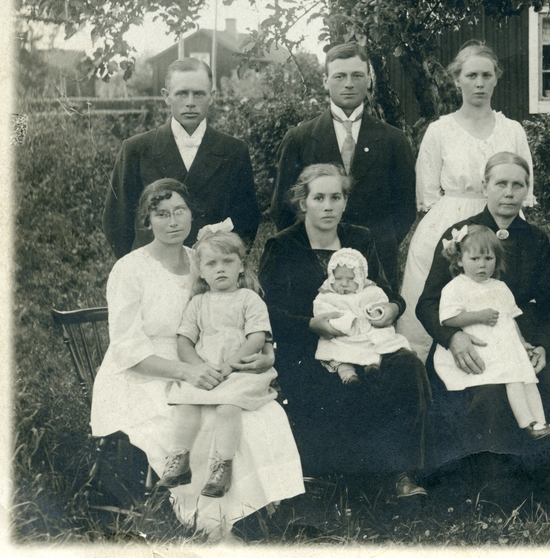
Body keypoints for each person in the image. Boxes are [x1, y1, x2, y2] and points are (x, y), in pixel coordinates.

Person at [90, 179, 302, 537]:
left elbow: (241, 315)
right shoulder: (129, 269)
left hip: (212, 363)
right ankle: (215, 524)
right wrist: (187, 371)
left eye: (180, 211)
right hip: (143, 374)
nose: (172, 221)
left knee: (260, 414)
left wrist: (266, 354)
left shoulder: (204, 258)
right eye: (161, 214)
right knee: (203, 422)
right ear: (147, 221)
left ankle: (256, 510)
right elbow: (127, 349)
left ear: (192, 214)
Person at [258, 164, 431, 500]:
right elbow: (264, 310)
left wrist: (391, 309)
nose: (328, 206)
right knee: (329, 386)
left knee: (407, 367)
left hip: (366, 341)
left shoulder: (359, 239)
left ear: (345, 201)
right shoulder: (282, 246)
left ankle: (403, 473)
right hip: (308, 347)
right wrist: (309, 324)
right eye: (319, 198)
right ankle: (346, 477)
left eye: (336, 197)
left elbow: (387, 292)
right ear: (303, 202)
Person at [415, 151, 550, 470]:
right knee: (487, 394)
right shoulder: (459, 234)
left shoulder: (536, 239)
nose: (509, 193)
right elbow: (427, 303)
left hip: (517, 339)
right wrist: (453, 338)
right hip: (467, 340)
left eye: (517, 185)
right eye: (500, 184)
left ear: (527, 190)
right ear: (485, 186)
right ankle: (486, 480)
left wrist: (542, 346)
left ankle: (541, 478)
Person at [398, 41, 535, 362]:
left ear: (496, 79)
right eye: (471, 75)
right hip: (449, 222)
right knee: (443, 298)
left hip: (502, 221)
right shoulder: (439, 130)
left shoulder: (512, 130)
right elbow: (427, 191)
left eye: (486, 75)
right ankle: (428, 367)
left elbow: (524, 185)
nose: (479, 83)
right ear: (457, 79)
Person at [272, 42, 417, 291]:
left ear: (369, 80)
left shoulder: (394, 140)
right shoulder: (300, 138)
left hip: (376, 262)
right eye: (340, 76)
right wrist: (306, 249)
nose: (349, 84)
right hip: (314, 260)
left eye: (357, 75)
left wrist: (381, 243)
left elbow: (405, 209)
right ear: (325, 81)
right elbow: (282, 207)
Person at [161, 228, 280, 499]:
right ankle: (179, 458)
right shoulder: (198, 303)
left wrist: (229, 366)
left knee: (228, 406)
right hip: (208, 370)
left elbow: (256, 338)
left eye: (228, 261)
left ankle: (222, 466)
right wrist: (198, 367)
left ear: (241, 266)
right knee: (186, 401)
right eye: (211, 264)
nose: (220, 269)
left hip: (241, 370)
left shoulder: (249, 299)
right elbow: (184, 342)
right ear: (201, 272)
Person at [103, 58, 260, 257]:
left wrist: (223, 264)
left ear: (211, 96)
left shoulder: (234, 151)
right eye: (182, 93)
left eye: (199, 94)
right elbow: (116, 221)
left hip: (212, 267)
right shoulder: (136, 149)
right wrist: (138, 265)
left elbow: (246, 221)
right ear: (166, 96)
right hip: (154, 268)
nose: (190, 102)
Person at [433, 225, 550, 440]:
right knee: (514, 376)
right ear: (460, 260)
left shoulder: (500, 286)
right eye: (475, 259)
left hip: (504, 344)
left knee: (528, 378)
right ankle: (528, 424)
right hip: (481, 346)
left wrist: (522, 342)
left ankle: (541, 422)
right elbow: (448, 318)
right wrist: (478, 316)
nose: (482, 265)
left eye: (488, 258)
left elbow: (509, 318)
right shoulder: (455, 287)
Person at [312, 247, 411, 385]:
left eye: (350, 279)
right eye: (338, 278)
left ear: (360, 278)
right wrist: (343, 321)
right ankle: (348, 376)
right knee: (338, 354)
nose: (343, 283)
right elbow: (321, 309)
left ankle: (373, 367)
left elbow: (381, 302)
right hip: (341, 336)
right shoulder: (327, 295)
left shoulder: (370, 291)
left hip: (366, 333)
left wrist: (377, 312)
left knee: (378, 346)